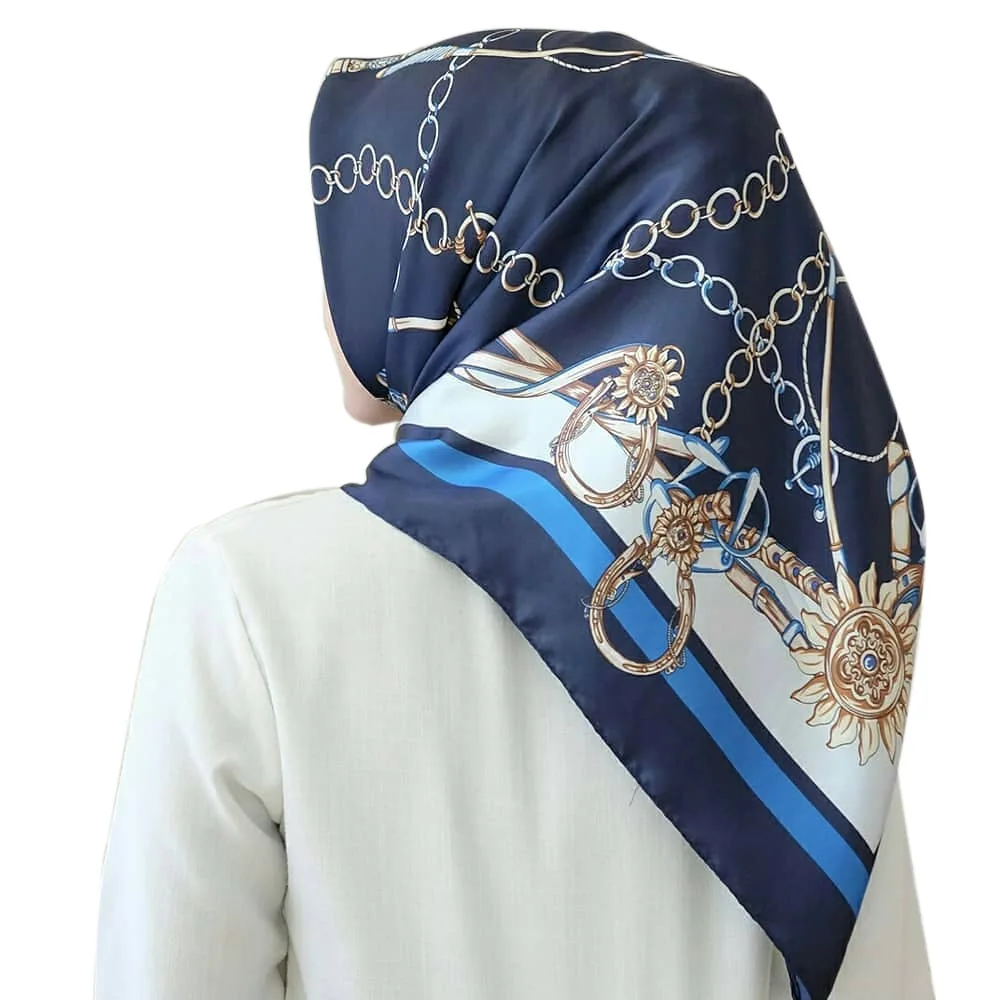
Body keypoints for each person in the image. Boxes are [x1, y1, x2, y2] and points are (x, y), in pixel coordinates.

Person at [94, 27, 934, 1000]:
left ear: (474, 245)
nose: (330, 282)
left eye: (362, 223)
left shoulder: (247, 596)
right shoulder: (798, 670)